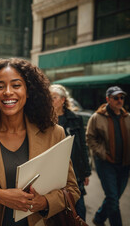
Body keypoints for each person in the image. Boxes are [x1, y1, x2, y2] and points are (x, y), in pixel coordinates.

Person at [0, 58, 80, 226]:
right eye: (0, 86)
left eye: (16, 85)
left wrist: (44, 202)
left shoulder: (54, 133)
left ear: (28, 91)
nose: (8, 92)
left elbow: (72, 189)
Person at [86, 86, 129, 226]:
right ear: (108, 99)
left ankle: (99, 218)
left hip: (124, 165)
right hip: (106, 164)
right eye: (116, 98)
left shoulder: (127, 117)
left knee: (114, 198)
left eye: (121, 97)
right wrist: (103, 154)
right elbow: (90, 138)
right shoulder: (97, 117)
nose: (119, 100)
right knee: (112, 198)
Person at [49, 84, 91, 221]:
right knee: (58, 211)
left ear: (62, 100)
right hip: (53, 171)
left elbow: (82, 146)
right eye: (49, 97)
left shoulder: (75, 119)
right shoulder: (44, 120)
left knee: (78, 208)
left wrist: (86, 171)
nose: (51, 100)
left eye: (54, 97)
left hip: (74, 170)